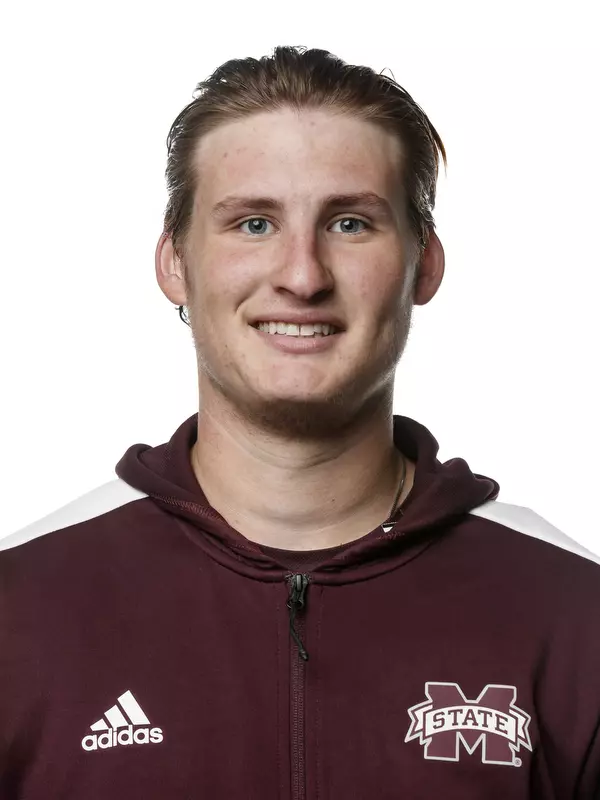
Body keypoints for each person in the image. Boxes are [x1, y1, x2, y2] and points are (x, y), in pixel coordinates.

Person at [1, 45, 599, 800]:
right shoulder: (20, 610)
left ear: (424, 264)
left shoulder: (574, 615)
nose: (302, 275)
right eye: (253, 224)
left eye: (350, 223)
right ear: (174, 262)